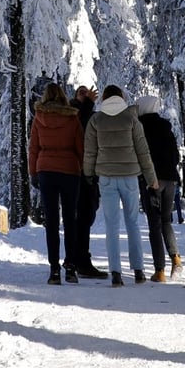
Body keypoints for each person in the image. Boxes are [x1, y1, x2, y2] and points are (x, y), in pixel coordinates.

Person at [82, 84, 158, 286]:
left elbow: (90, 151)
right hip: (130, 176)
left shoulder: (96, 120)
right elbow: (143, 151)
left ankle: (116, 272)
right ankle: (139, 270)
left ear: (104, 98)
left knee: (111, 225)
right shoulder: (131, 118)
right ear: (122, 97)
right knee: (133, 223)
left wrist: (88, 174)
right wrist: (151, 178)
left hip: (106, 177)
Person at [28, 82, 84, 284]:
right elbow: (80, 146)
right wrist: (83, 169)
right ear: (62, 96)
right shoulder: (72, 117)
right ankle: (70, 266)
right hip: (70, 170)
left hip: (46, 171)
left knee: (51, 221)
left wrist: (33, 172)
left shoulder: (39, 118)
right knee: (70, 219)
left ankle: (54, 270)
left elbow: (33, 148)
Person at [135, 95, 182, 281]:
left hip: (150, 180)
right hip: (170, 179)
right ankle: (175, 257)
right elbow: (176, 156)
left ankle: (159, 270)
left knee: (154, 225)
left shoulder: (140, 127)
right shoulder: (166, 128)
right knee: (166, 221)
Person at [66, 86, 105, 278]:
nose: (84, 94)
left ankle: (77, 259)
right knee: (81, 217)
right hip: (78, 172)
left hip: (90, 172)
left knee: (87, 215)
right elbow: (80, 127)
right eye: (80, 92)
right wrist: (88, 104)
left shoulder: (92, 115)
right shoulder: (72, 113)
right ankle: (80, 261)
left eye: (85, 92)